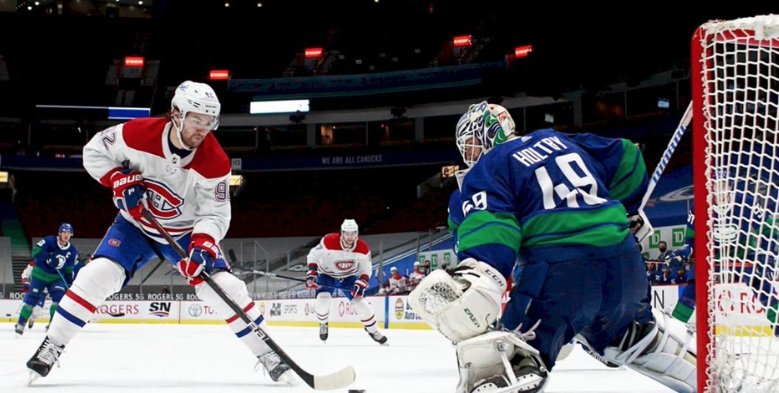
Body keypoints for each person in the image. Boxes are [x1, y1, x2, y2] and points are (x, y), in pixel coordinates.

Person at [410, 101, 696, 393]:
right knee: (639, 339)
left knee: (508, 359)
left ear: (490, 133)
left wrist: (479, 274)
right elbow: (627, 157)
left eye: (471, 144)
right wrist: (628, 208)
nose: (469, 154)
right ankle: (714, 379)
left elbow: (492, 225)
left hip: (559, 273)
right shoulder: (557, 138)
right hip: (625, 264)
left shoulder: (490, 165)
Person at [25, 81, 295, 385]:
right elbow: (93, 152)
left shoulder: (215, 161)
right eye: (196, 120)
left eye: (209, 122)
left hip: (184, 233)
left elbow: (216, 213)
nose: (203, 129)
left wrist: (204, 243)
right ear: (176, 114)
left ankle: (269, 353)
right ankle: (52, 345)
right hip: (135, 226)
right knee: (95, 275)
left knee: (226, 288)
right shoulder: (136, 133)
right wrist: (117, 179)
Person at [306, 219, 387, 345]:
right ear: (342, 233)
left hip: (349, 277)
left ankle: (373, 331)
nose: (350, 237)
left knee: (361, 304)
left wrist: (362, 281)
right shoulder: (329, 241)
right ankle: (323, 323)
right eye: (347, 233)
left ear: (357, 233)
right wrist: (312, 272)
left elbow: (366, 268)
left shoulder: (363, 248)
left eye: (353, 233)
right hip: (327, 275)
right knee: (322, 301)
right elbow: (313, 255)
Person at [15, 223, 78, 336]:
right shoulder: (49, 241)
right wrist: (48, 258)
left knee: (58, 299)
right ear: (59, 233)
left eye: (68, 233)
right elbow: (35, 252)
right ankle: (21, 324)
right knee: (32, 300)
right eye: (64, 232)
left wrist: (69, 283)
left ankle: (52, 325)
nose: (66, 235)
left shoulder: (72, 251)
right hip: (40, 275)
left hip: (56, 278)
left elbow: (68, 269)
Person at [19, 260, 47, 330]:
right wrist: (26, 282)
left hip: (43, 291)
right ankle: (21, 322)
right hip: (32, 289)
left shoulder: (54, 264)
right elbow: (25, 274)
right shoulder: (34, 263)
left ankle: (32, 319)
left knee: (38, 309)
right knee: (27, 306)